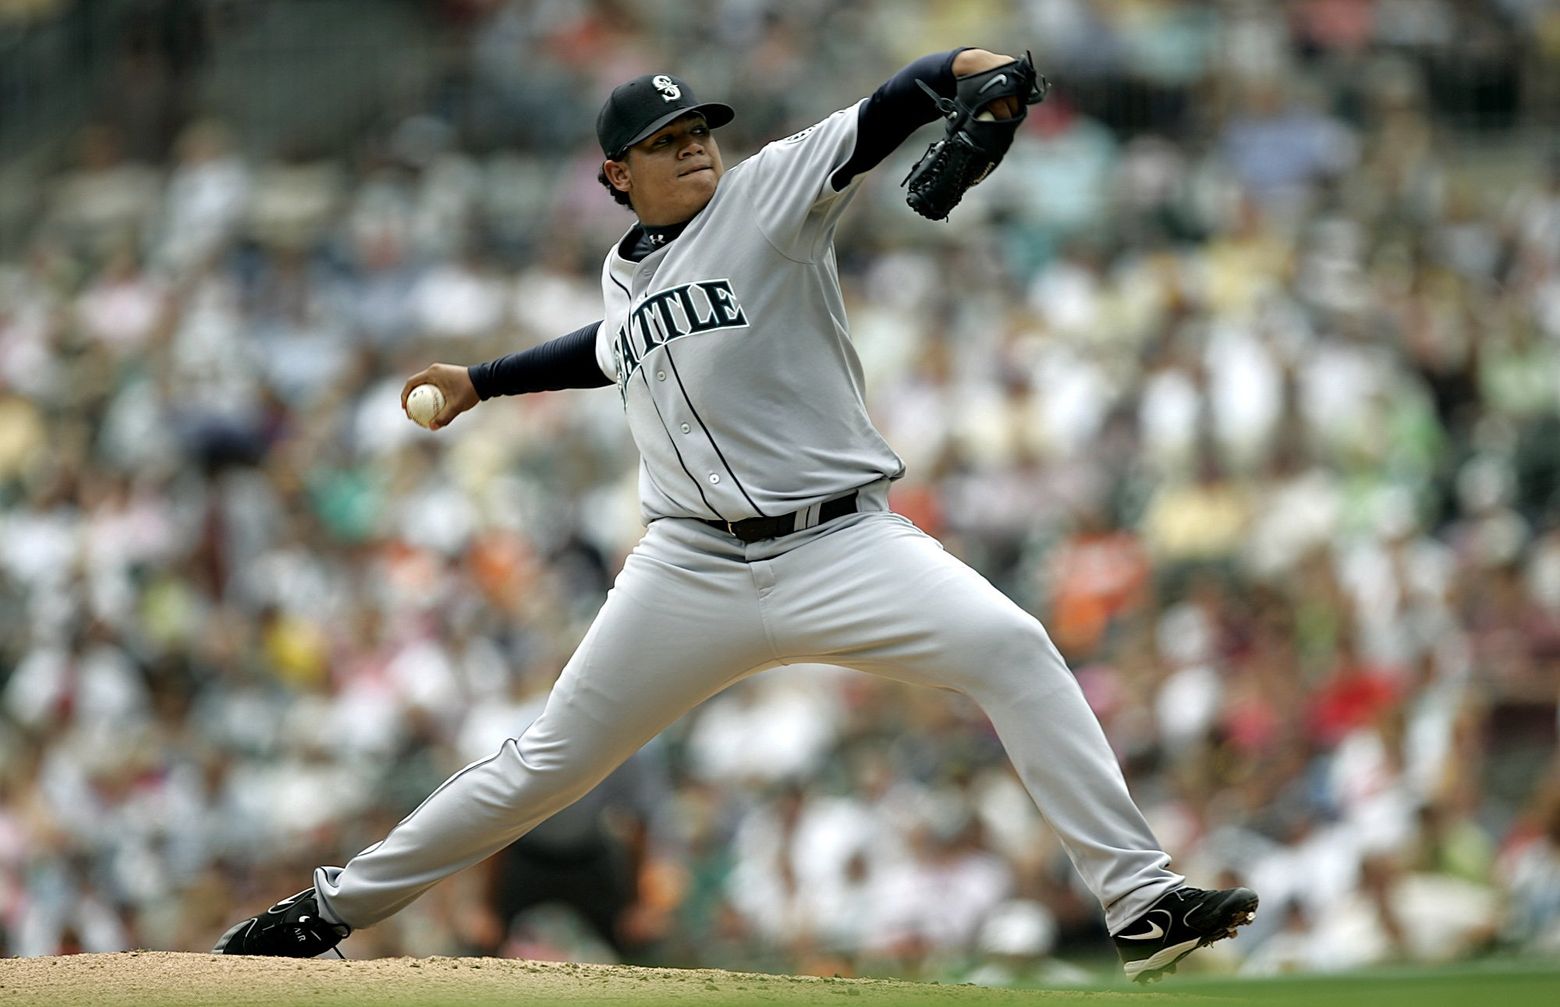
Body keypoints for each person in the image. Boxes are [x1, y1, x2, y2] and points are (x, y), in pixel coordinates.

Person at [213, 47, 1258, 983]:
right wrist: (484, 379)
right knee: (545, 762)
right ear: (616, 176)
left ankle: (1140, 902)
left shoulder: (766, 195)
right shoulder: (626, 271)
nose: (692, 149)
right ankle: (326, 909)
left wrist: (987, 74)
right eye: (663, 143)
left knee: (1014, 646)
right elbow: (613, 342)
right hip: (689, 570)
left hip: (845, 541)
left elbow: (895, 103)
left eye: (696, 130)